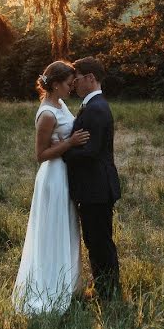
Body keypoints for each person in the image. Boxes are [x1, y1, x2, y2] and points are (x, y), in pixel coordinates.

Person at [12, 61, 90, 315]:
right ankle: (50, 289)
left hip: (65, 174)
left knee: (67, 227)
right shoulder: (47, 114)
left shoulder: (60, 104)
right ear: (56, 84)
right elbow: (41, 154)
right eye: (69, 84)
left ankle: (68, 285)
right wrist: (70, 143)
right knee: (54, 230)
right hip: (53, 177)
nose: (72, 87)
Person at [63, 56, 121, 301]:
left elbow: (90, 151)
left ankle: (107, 292)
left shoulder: (96, 109)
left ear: (90, 78)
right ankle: (105, 287)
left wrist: (62, 150)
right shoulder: (93, 105)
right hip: (95, 186)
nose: (74, 84)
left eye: (76, 79)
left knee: (99, 242)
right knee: (96, 239)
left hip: (96, 187)